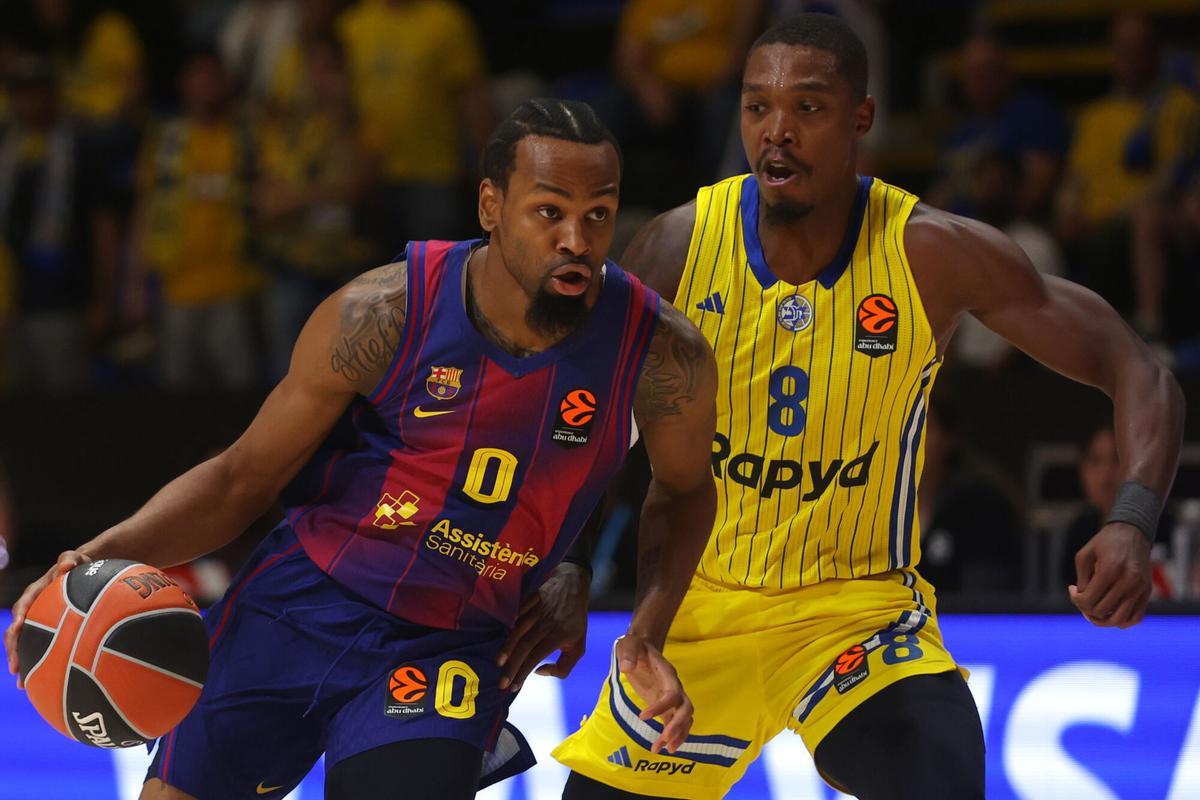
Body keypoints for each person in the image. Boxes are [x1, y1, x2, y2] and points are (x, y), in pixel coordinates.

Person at [4, 98, 720, 800]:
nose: (577, 239)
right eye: (550, 211)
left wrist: (635, 622)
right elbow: (239, 481)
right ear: (490, 205)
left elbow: (684, 489)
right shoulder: (382, 312)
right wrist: (101, 551)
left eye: (598, 214)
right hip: (302, 598)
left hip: (451, 640)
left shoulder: (661, 352)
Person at [553, 14, 1184, 800]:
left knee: (942, 774)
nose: (777, 133)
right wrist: (568, 566)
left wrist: (1130, 517)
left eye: (808, 109)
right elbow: (584, 424)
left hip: (858, 611)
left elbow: (1139, 368)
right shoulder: (677, 248)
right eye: (757, 108)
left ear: (862, 119)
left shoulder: (930, 252)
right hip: (699, 605)